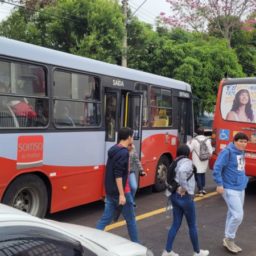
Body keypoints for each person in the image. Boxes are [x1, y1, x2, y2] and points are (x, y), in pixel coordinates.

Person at [162, 144, 209, 256]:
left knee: (175, 224)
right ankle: (197, 252)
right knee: (192, 225)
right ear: (188, 153)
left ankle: (167, 251)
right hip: (184, 197)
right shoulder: (187, 162)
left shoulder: (175, 161)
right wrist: (186, 189)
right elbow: (183, 173)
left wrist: (179, 188)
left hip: (174, 196)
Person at [96, 127, 140, 243]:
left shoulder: (114, 149)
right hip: (122, 192)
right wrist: (122, 194)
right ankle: (137, 246)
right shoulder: (124, 153)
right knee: (131, 220)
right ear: (129, 137)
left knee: (105, 219)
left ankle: (92, 240)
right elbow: (118, 174)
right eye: (132, 136)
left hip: (110, 192)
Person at [212, 132, 249, 254]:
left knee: (232, 213)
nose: (243, 144)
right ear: (234, 141)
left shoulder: (241, 151)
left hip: (240, 187)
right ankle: (229, 238)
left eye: (245, 142)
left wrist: (244, 180)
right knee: (238, 215)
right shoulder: (227, 152)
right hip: (229, 188)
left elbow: (240, 168)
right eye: (240, 141)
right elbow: (217, 168)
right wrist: (219, 184)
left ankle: (227, 238)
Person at [187, 127, 213, 197]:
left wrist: (188, 143)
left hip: (196, 159)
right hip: (205, 159)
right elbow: (211, 151)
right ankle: (203, 188)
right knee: (202, 173)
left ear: (196, 133)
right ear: (203, 132)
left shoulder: (194, 140)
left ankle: (200, 190)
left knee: (197, 174)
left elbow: (189, 149)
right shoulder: (207, 140)